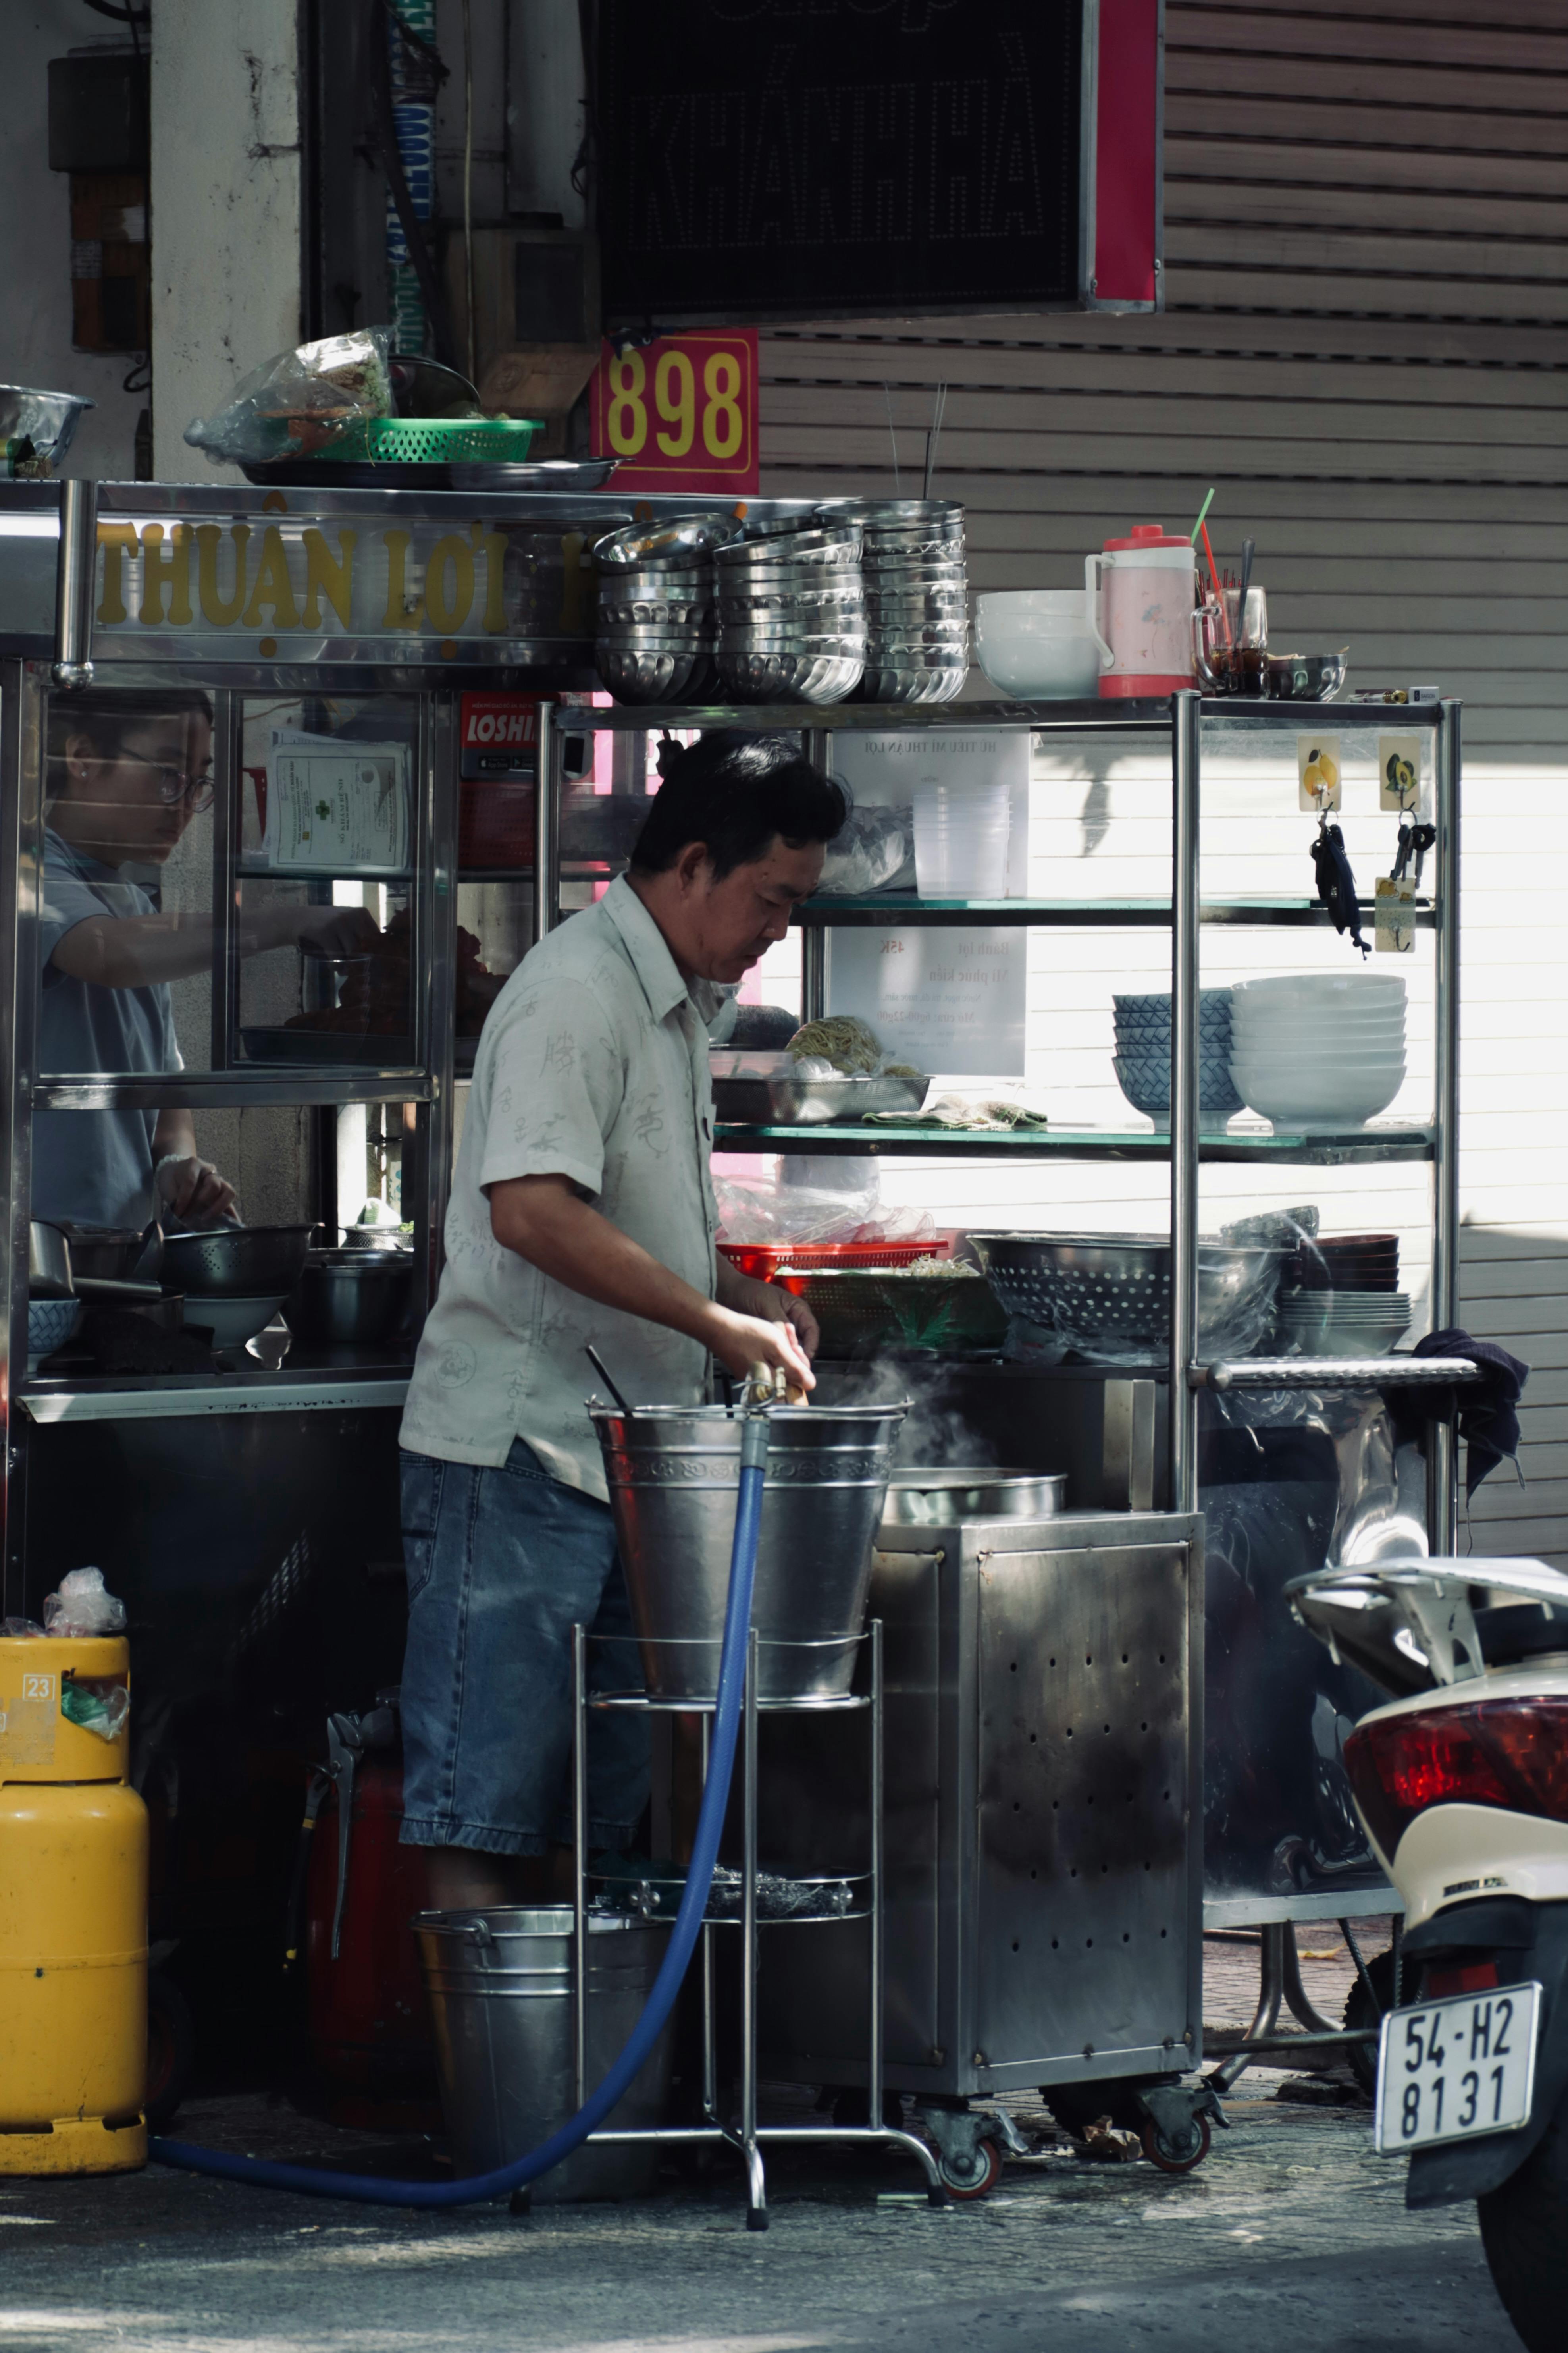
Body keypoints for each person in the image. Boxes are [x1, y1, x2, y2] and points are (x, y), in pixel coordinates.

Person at [397, 732, 846, 1908]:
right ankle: (505, 2101)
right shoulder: (573, 990)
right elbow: (532, 1213)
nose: (779, 929)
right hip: (519, 1457)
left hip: (617, 1460)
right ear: (692, 863)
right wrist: (710, 1320)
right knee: (485, 1809)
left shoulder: (674, 1002)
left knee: (587, 1824)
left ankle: (588, 2086)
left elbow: (622, 1211)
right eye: (772, 898)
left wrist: (737, 1295)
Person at [36, 689, 380, 1231]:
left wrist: (179, 1165)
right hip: (31, 1256)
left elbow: (166, 1095)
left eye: (199, 782)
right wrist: (284, 922)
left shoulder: (131, 903)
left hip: (117, 1253)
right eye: (169, 773)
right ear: (82, 758)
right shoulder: (25, 872)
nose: (184, 803)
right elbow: (108, 952)